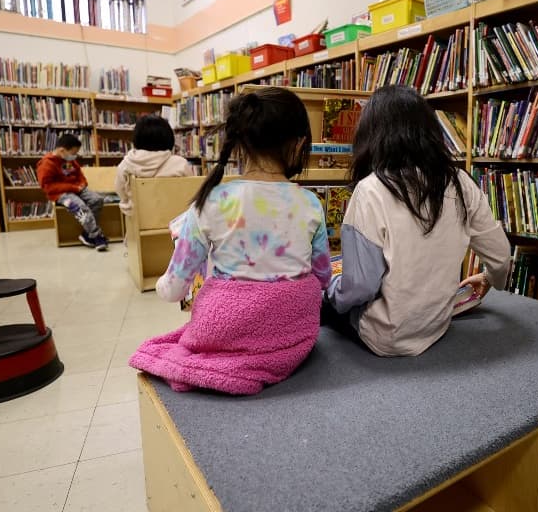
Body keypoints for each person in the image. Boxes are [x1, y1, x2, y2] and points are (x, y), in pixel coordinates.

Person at [129, 87, 331, 394]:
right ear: (300, 143)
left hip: (224, 332)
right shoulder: (311, 203)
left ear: (237, 142)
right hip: (294, 337)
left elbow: (172, 291)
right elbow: (323, 278)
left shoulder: (212, 202)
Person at [324, 85, 511, 357]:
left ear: (371, 135)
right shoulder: (460, 182)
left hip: (383, 336)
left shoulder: (371, 189)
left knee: (322, 292)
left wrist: (331, 290)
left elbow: (360, 288)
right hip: (436, 325)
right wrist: (489, 277)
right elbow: (501, 256)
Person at [36, 133, 108, 251]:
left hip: (75, 188)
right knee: (80, 207)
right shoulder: (46, 164)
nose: (75, 156)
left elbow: (78, 173)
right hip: (60, 194)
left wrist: (83, 183)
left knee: (97, 199)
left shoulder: (68, 159)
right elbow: (48, 187)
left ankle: (87, 235)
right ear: (62, 150)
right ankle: (96, 236)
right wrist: (73, 187)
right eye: (73, 153)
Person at [114, 114, 194, 216]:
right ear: (168, 137)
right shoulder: (180, 164)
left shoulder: (126, 165)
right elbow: (191, 192)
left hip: (138, 222)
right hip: (175, 222)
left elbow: (121, 192)